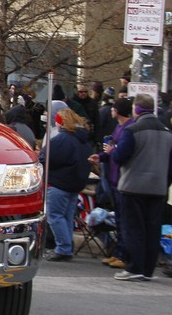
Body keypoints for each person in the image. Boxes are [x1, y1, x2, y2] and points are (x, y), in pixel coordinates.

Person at [109, 94, 172, 282]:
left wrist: (113, 151)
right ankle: (147, 268)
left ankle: (134, 267)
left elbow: (121, 156)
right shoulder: (167, 132)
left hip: (133, 186)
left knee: (134, 228)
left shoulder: (133, 130)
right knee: (152, 229)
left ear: (137, 109)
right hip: (158, 188)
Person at [39, 108, 93, 261]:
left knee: (55, 216)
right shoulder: (83, 140)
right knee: (67, 217)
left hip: (59, 183)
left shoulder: (61, 140)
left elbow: (44, 158)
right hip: (75, 184)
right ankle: (66, 246)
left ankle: (63, 248)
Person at [90, 97, 133, 269]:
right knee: (119, 219)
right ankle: (118, 252)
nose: (111, 111)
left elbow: (122, 151)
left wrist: (112, 151)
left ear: (118, 110)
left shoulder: (128, 128)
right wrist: (100, 156)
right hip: (113, 177)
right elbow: (112, 148)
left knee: (123, 220)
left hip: (122, 178)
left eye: (114, 108)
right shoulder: (119, 127)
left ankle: (123, 254)